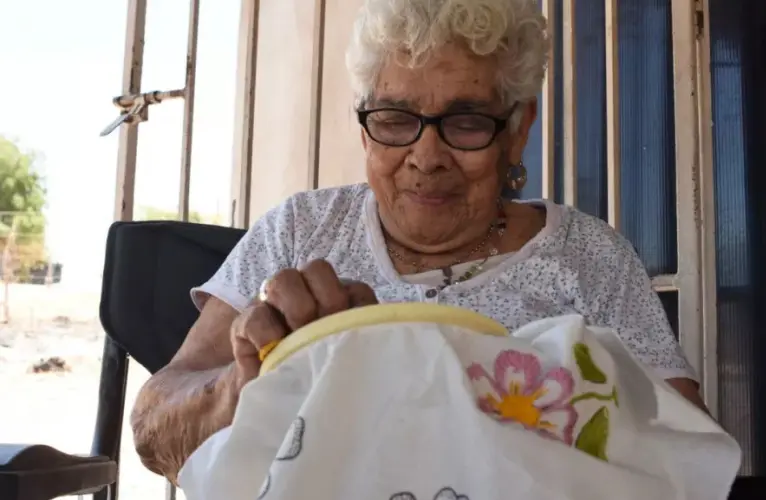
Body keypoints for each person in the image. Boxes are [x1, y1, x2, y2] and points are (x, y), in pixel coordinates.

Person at [130, 0, 706, 484]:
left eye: (467, 121)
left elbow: (684, 451)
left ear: (518, 129)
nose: (427, 158)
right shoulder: (299, 230)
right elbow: (154, 430)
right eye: (396, 117)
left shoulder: (590, 257)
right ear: (365, 126)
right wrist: (242, 386)